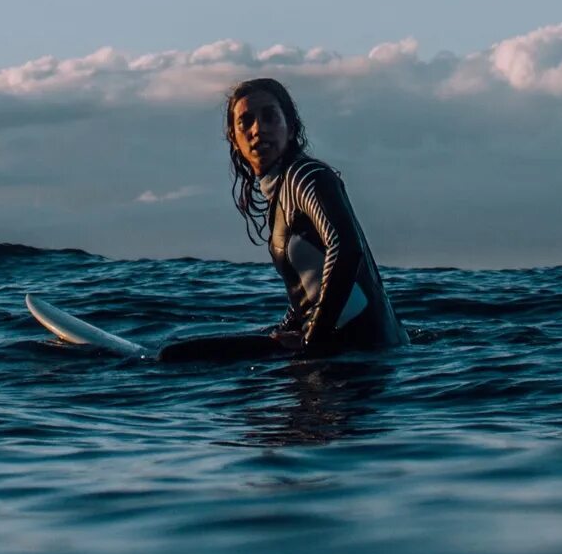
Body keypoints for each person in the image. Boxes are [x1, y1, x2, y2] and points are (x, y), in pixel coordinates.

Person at [159, 78, 404, 362]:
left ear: (291, 127)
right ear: (233, 139)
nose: (257, 129)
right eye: (246, 121)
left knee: (173, 356)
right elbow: (308, 288)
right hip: (347, 352)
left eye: (269, 117)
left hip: (359, 355)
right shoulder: (281, 192)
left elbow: (346, 248)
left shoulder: (307, 177)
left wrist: (314, 339)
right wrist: (284, 330)